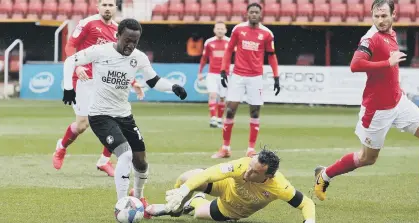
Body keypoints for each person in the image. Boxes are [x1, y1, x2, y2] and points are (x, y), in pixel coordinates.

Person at [313, 0, 419, 201]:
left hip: (399, 101)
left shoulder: (391, 34)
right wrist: (386, 63)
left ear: (393, 15)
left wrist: (396, 85)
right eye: (376, 16)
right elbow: (355, 65)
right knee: (367, 158)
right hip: (377, 110)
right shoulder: (371, 38)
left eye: (384, 16)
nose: (380, 20)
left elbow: (390, 71)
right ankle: (325, 175)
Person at [61, 18, 188, 219]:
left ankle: (138, 198)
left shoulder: (138, 57)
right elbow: (70, 61)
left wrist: (173, 87)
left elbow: (153, 80)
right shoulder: (100, 51)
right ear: (118, 35)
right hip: (100, 115)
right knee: (126, 155)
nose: (131, 45)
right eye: (127, 40)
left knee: (141, 161)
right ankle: (122, 204)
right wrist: (69, 88)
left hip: (124, 115)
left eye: (135, 41)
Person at [52, 0, 144, 176]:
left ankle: (104, 161)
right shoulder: (87, 24)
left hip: (104, 81)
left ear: (116, 8)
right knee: (82, 125)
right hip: (82, 79)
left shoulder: (119, 31)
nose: (107, 8)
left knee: (114, 119)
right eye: (104, 4)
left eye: (111, 5)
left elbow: (121, 61)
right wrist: (77, 67)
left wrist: (133, 82)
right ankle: (61, 147)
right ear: (98, 7)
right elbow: (70, 46)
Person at [146, 148, 316, 223]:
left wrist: (309, 221)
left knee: (198, 214)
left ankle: (196, 200)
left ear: (269, 176)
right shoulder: (243, 164)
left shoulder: (280, 186)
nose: (248, 173)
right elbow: (208, 174)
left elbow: (306, 203)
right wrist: (182, 190)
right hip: (224, 186)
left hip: (232, 209)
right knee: (188, 177)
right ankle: (175, 208)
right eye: (250, 166)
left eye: (255, 172)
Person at [212, 3, 281, 159]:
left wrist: (276, 76)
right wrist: (224, 70)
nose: (254, 14)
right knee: (230, 110)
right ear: (247, 14)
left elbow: (271, 55)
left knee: (255, 111)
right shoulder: (238, 29)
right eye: (252, 12)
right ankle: (225, 148)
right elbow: (229, 50)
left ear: (261, 14)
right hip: (237, 75)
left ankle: (250, 149)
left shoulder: (266, 33)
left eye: (257, 12)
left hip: (256, 77)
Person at [198, 21, 230, 128]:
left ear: (225, 30)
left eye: (222, 29)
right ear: (214, 30)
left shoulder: (230, 42)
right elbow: (204, 58)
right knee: (213, 95)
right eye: (218, 28)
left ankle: (220, 119)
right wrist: (200, 72)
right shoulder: (209, 42)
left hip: (225, 74)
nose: (220, 31)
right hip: (212, 74)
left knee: (222, 97)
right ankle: (213, 119)